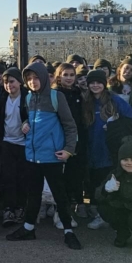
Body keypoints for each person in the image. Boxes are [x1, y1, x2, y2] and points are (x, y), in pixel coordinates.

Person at [6, 62, 82, 249]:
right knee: (33, 195)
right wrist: (25, 123)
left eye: (36, 77)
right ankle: (28, 227)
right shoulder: (28, 98)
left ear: (44, 78)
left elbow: (70, 126)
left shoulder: (57, 97)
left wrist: (69, 150)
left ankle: (68, 231)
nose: (32, 82)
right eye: (29, 78)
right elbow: (29, 119)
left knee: (59, 196)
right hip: (32, 156)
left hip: (52, 156)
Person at [81, 68, 132, 230]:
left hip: (110, 150)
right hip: (91, 150)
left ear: (104, 84)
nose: (95, 85)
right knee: (94, 184)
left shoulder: (115, 101)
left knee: (109, 183)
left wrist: (114, 128)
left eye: (99, 82)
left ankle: (111, 214)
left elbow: (129, 120)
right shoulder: (85, 101)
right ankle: (98, 213)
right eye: (92, 83)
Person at [0, 68, 28, 226]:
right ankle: (9, 208)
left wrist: (28, 124)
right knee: (8, 177)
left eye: (12, 81)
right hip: (7, 143)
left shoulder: (28, 99)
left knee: (23, 177)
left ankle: (20, 207)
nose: (9, 85)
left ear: (19, 82)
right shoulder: (0, 101)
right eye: (6, 82)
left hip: (24, 144)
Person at [52, 62, 86, 225]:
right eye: (65, 75)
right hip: (61, 139)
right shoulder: (55, 94)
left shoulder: (78, 93)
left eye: (72, 75)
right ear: (59, 76)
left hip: (77, 139)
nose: (69, 78)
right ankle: (60, 213)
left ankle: (68, 211)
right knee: (61, 180)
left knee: (73, 178)